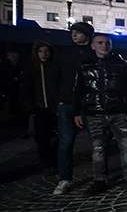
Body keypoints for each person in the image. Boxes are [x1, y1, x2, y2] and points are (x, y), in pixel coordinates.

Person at [73, 34, 127, 195]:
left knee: (126, 145)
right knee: (98, 148)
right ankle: (100, 180)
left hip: (119, 112)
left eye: (107, 43)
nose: (104, 46)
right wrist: (77, 112)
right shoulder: (84, 64)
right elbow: (78, 89)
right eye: (100, 43)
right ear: (93, 45)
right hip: (94, 113)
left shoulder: (121, 63)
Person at [52, 21, 95, 195]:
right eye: (73, 32)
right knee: (66, 143)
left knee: (97, 142)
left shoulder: (94, 54)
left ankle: (100, 175)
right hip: (67, 104)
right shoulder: (65, 53)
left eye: (78, 32)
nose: (74, 35)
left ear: (87, 35)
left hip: (89, 105)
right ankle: (65, 179)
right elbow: (55, 78)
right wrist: (59, 100)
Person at [21, 41, 61, 173]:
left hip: (54, 108)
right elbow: (26, 89)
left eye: (46, 51)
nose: (44, 54)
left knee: (56, 137)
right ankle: (47, 163)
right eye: (41, 51)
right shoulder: (32, 68)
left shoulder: (54, 67)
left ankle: (54, 161)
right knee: (42, 138)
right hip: (39, 109)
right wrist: (30, 107)